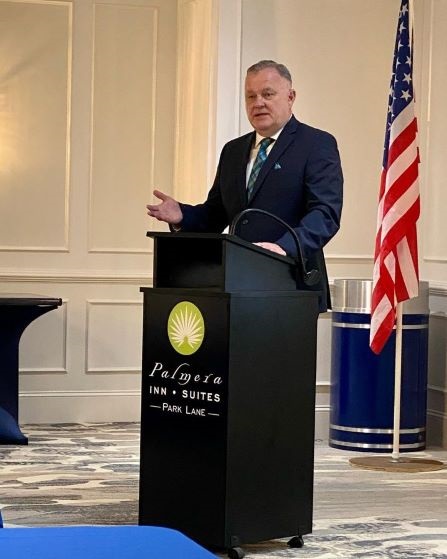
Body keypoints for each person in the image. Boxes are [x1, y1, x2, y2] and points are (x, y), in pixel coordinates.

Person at [147, 60, 343, 311]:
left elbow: (325, 214)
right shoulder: (233, 150)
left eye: (267, 94)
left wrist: (283, 247)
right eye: (251, 96)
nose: (258, 103)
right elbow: (216, 213)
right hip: (238, 288)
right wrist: (182, 215)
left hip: (292, 287)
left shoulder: (316, 144)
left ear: (290, 97)